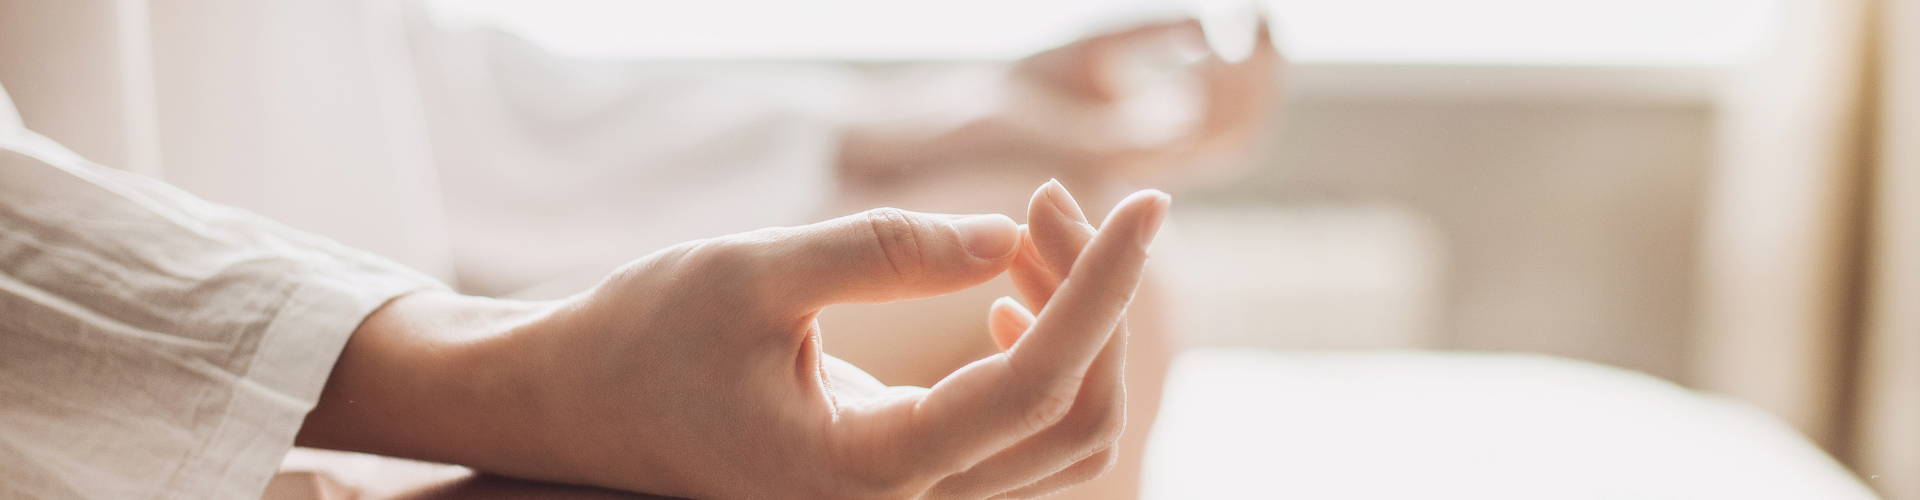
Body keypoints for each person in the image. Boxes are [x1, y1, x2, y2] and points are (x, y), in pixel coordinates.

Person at [0, 6, 1279, 499]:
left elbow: (378, 65)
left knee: (1061, 293)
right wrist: (511, 379)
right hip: (112, 439)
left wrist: (909, 122)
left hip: (319, 371)